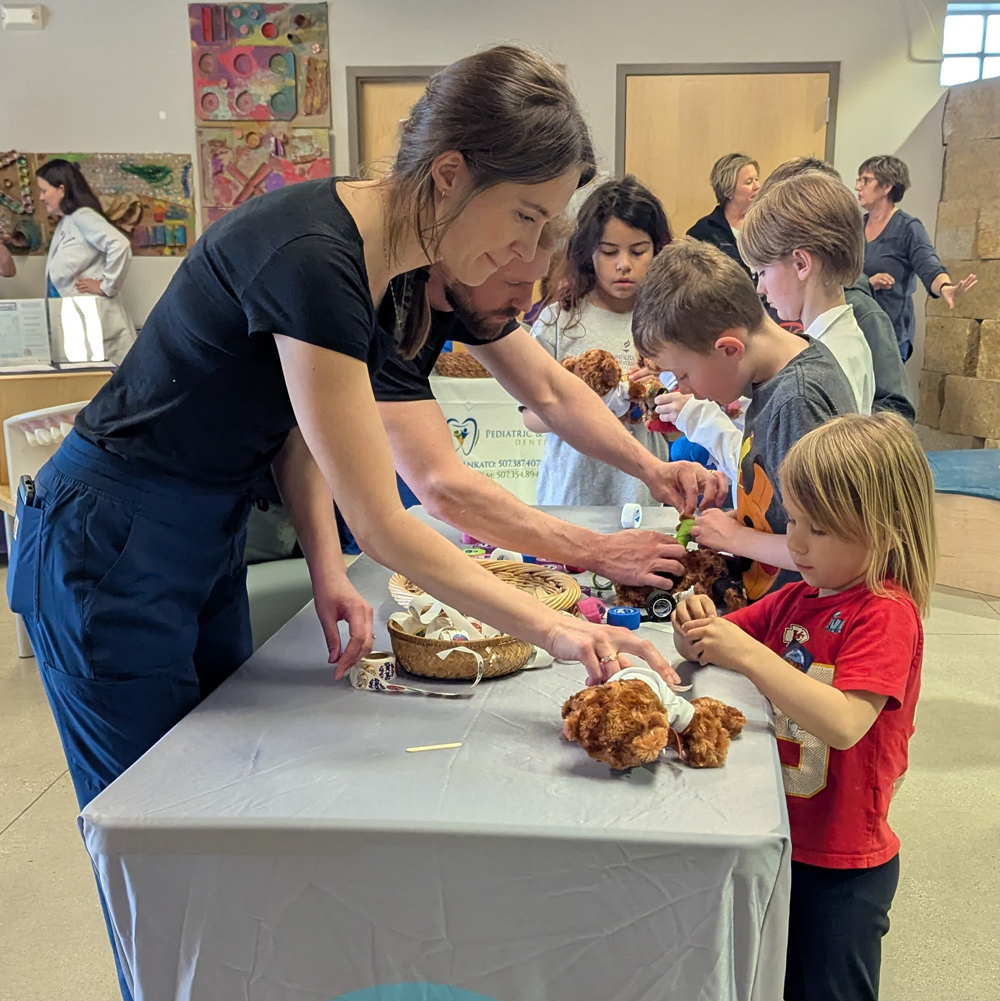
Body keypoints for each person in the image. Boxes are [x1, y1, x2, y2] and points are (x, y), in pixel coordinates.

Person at [6, 47, 681, 1001]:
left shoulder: (379, 261)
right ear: (451, 173)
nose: (530, 256)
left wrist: (324, 561)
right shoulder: (319, 253)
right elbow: (394, 517)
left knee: (225, 810)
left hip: (200, 532)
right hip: (109, 535)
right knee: (161, 840)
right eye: (525, 217)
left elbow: (295, 429)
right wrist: (566, 628)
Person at [672, 411, 936, 1001]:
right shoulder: (798, 598)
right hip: (780, 836)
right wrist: (693, 629)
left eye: (818, 530)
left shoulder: (885, 612)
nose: (794, 543)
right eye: (794, 520)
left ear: (883, 531)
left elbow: (845, 723)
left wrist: (746, 654)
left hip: (843, 862)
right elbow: (714, 640)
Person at [371, 223, 725, 589]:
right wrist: (599, 552)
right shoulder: (391, 304)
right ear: (468, 259)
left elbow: (554, 393)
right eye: (514, 284)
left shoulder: (463, 297)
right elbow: (439, 484)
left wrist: (651, 469)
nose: (526, 305)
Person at [631, 237, 856, 603]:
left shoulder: (797, 402)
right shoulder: (771, 378)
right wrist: (740, 518)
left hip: (799, 625)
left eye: (683, 374)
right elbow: (786, 514)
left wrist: (736, 539)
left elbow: (832, 550)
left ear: (730, 350)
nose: (686, 389)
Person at [522, 175, 675, 506]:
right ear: (587, 253)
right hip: (572, 497)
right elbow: (531, 417)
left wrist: (658, 398)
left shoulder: (668, 323)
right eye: (608, 252)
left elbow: (677, 430)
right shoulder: (558, 320)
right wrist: (584, 404)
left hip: (642, 499)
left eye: (638, 251)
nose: (623, 264)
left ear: (658, 251)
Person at [742, 170, 875, 415]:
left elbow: (783, 448)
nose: (760, 288)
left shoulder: (827, 360)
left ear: (802, 264)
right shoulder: (839, 340)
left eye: (762, 272)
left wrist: (700, 418)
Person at [856, 154, 977, 361]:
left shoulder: (908, 228)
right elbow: (839, 274)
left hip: (889, 334)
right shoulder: (855, 227)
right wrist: (868, 283)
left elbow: (928, 264)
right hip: (855, 328)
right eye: (859, 180)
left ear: (886, 187)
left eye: (865, 180)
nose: (858, 186)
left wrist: (946, 287)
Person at [36, 159, 136, 364]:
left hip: (96, 323)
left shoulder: (83, 216)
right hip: (75, 320)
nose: (41, 197)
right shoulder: (67, 222)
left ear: (61, 189)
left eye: (44, 191)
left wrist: (107, 285)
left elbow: (120, 244)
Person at [686, 152, 760, 276]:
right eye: (749, 182)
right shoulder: (703, 233)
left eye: (757, 179)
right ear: (727, 191)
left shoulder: (765, 224)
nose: (757, 186)